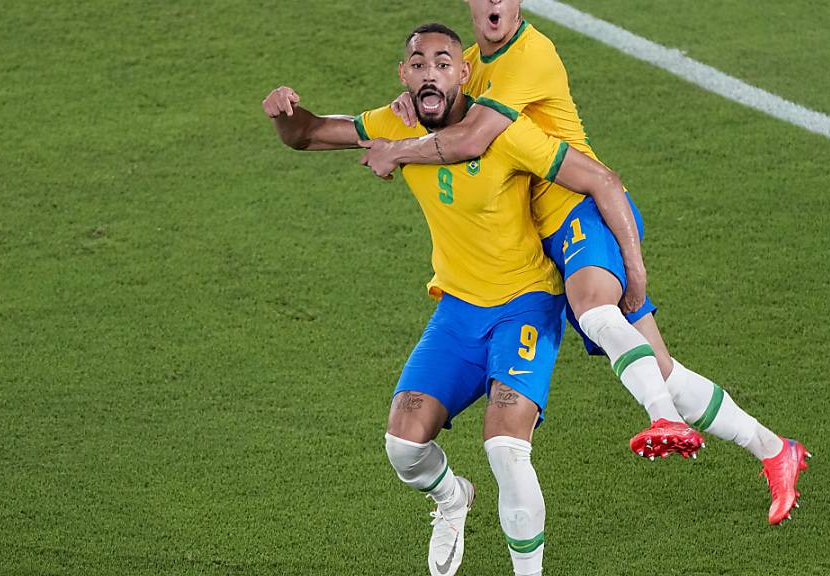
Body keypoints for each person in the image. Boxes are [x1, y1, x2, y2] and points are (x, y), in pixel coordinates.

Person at [358, 0, 809, 525]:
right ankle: (776, 451)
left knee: (596, 311)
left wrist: (398, 150)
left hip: (582, 209)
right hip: (547, 237)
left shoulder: (531, 53)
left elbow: (476, 138)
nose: (495, 3)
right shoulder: (472, 65)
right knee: (661, 369)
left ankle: (662, 419)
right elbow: (450, 101)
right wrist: (411, 102)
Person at [264, 23, 652, 575]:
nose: (429, 73)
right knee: (403, 445)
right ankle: (452, 498)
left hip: (526, 302)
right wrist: (285, 113)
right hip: (460, 309)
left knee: (505, 447)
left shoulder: (496, 130)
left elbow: (598, 179)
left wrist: (633, 271)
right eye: (418, 63)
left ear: (463, 72)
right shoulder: (393, 123)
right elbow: (307, 135)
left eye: (442, 63)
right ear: (404, 75)